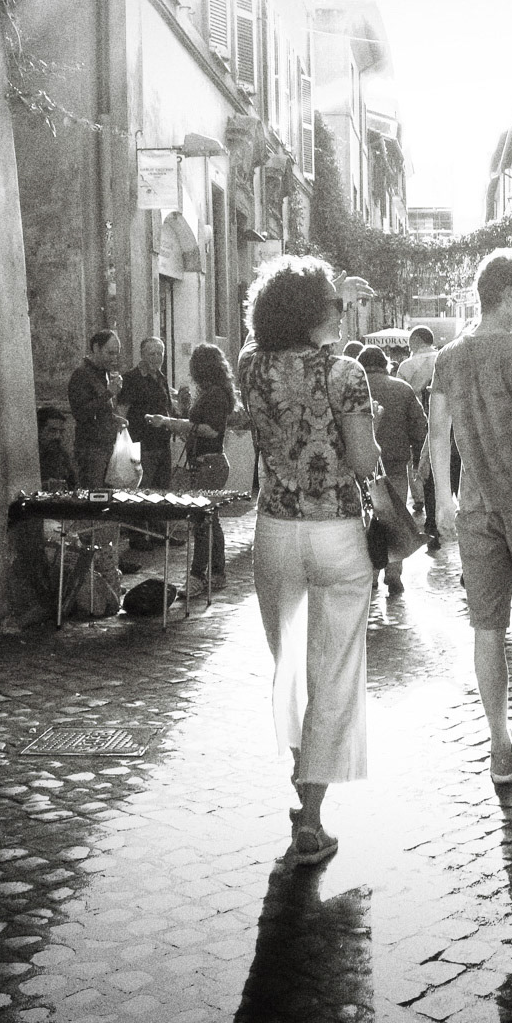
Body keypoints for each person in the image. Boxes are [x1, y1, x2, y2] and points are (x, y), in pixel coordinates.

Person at [235, 255, 381, 866]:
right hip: (337, 532)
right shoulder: (347, 373)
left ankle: (303, 788)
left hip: (275, 531)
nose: (340, 312)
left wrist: (322, 298)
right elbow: (364, 460)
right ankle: (312, 820)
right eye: (334, 304)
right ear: (314, 311)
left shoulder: (249, 366)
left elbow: (272, 350)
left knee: (290, 670)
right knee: (334, 674)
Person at [428, 249, 512, 786]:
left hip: (474, 506)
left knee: (487, 627)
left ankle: (499, 746)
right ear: (506, 295)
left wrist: (443, 500)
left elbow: (437, 433)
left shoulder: (449, 357)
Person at [153, 343, 236, 598]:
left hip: (209, 465)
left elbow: (210, 430)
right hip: (207, 462)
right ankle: (218, 573)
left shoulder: (215, 395)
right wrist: (173, 421)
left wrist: (172, 423)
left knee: (200, 523)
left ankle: (197, 576)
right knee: (211, 520)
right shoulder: (212, 392)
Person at [358, 345, 427, 595]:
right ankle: (394, 572)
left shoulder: (355, 388)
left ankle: (371, 574)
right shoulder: (402, 388)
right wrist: (418, 459)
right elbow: (420, 427)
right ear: (385, 364)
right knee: (394, 518)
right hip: (395, 465)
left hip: (361, 466)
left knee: (366, 518)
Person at [398, 325, 443, 549]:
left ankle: (430, 518)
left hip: (419, 425)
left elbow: (402, 399)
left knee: (424, 468)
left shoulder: (406, 366)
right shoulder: (443, 358)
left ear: (416, 340)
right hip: (444, 422)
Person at [68, 330, 125, 488]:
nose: (114, 358)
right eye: (110, 353)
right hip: (91, 451)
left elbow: (99, 410)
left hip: (107, 447)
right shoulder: (81, 375)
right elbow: (81, 413)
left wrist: (114, 419)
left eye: (117, 353)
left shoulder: (104, 374)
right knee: (95, 497)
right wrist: (109, 393)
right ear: (96, 348)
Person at [121, 337, 176, 491]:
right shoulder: (131, 378)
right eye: (152, 354)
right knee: (143, 490)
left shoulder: (161, 378)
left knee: (163, 490)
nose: (157, 358)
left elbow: (166, 406)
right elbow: (122, 411)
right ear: (142, 355)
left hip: (162, 445)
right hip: (142, 446)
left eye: (160, 354)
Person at [36, 406, 74, 490]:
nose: (58, 436)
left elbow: (72, 485)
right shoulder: (31, 456)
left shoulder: (62, 455)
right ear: (39, 431)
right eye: (52, 431)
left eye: (61, 432)